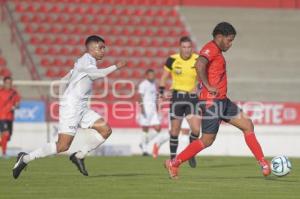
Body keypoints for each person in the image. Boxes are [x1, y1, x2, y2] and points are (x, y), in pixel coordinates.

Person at [164, 22, 271, 179]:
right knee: (207, 141)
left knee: (248, 125)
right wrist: (207, 85)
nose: (230, 43)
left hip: (222, 101)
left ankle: (263, 163)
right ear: (219, 37)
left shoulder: (217, 51)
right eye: (229, 40)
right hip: (211, 102)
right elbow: (200, 64)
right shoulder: (210, 49)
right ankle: (174, 163)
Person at [12, 35, 126, 179]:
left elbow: (64, 79)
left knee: (105, 130)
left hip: (81, 107)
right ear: (91, 48)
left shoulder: (83, 62)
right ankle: (26, 158)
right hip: (72, 107)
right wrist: (116, 66)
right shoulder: (86, 60)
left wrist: (63, 97)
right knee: (62, 146)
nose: (103, 50)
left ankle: (79, 155)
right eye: (100, 47)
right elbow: (97, 74)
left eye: (104, 47)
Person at [159, 36, 201, 168]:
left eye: (189, 47)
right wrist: (162, 92)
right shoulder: (172, 59)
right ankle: (173, 160)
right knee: (175, 131)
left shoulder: (197, 59)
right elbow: (164, 78)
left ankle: (191, 153)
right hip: (177, 97)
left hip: (192, 99)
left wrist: (198, 87)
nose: (187, 50)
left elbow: (202, 78)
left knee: (196, 130)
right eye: (184, 47)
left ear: (191, 48)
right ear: (180, 48)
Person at [137, 69, 162, 156]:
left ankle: (143, 142)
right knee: (145, 129)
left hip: (153, 110)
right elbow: (140, 97)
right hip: (146, 110)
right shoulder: (143, 84)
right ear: (146, 76)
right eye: (150, 75)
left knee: (158, 128)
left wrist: (157, 108)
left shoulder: (154, 84)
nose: (152, 76)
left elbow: (155, 97)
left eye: (153, 75)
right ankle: (144, 149)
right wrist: (142, 108)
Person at [0, 76, 21, 157]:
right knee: (5, 133)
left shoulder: (14, 93)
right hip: (2, 116)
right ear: (4, 83)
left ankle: (3, 144)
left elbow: (18, 104)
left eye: (10, 83)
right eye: (7, 83)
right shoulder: (0, 92)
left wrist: (15, 106)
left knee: (8, 136)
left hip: (10, 117)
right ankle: (4, 153)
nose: (9, 84)